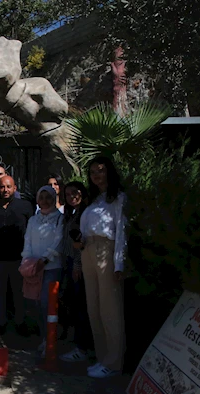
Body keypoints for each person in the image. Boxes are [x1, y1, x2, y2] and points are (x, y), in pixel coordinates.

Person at [81, 156, 127, 378]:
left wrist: (119, 262)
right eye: (92, 172)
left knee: (110, 308)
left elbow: (121, 231)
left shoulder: (118, 198)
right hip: (88, 249)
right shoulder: (93, 199)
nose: (96, 175)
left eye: (100, 171)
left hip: (106, 250)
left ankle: (114, 361)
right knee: (94, 307)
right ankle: (102, 357)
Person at [0, 175, 32, 335]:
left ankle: (20, 322)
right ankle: (1, 322)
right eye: (2, 187)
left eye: (9, 187)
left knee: (19, 292)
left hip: (19, 257)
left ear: (15, 188)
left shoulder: (25, 206)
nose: (5, 190)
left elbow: (32, 230)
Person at [22, 186, 64, 356]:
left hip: (51, 267)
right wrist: (27, 261)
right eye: (42, 197)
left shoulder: (60, 219)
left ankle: (52, 340)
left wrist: (45, 259)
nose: (45, 201)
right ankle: (43, 338)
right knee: (37, 304)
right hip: (34, 268)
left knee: (49, 304)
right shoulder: (33, 220)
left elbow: (59, 241)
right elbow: (28, 241)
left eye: (49, 197)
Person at [58, 181, 94, 363]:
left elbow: (83, 244)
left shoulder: (84, 215)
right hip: (68, 264)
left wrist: (78, 265)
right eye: (68, 194)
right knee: (72, 304)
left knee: (81, 307)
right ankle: (77, 342)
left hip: (77, 266)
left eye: (75, 193)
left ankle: (82, 347)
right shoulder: (72, 213)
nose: (71, 196)